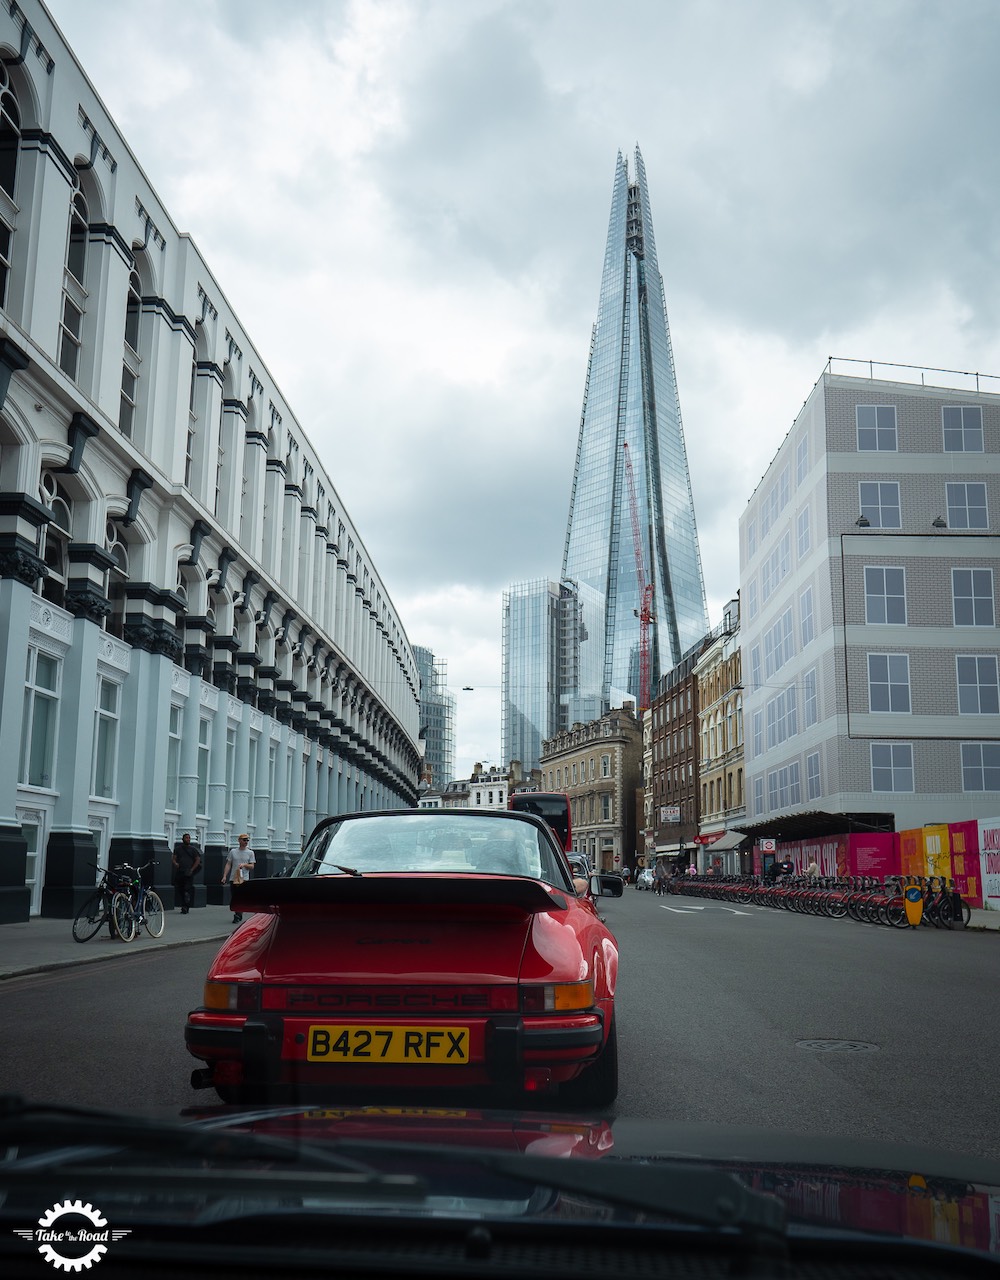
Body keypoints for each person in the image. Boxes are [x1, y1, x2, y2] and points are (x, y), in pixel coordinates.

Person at [223, 834, 255, 923]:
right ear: (239, 840)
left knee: (241, 897)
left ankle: (238, 914)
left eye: (247, 840)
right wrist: (225, 876)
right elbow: (228, 864)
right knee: (234, 897)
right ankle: (238, 912)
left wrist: (244, 865)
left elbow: (252, 866)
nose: (246, 842)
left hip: (244, 879)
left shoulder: (250, 852)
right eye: (244, 840)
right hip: (233, 878)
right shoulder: (233, 852)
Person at [171, 831, 201, 914]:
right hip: (180, 871)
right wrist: (175, 863)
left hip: (188, 872)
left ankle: (186, 906)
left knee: (187, 889)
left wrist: (192, 869)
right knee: (180, 889)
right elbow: (173, 858)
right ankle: (183, 904)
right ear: (183, 839)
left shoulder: (193, 849)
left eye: (189, 838)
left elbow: (198, 859)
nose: (188, 839)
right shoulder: (178, 849)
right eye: (186, 838)